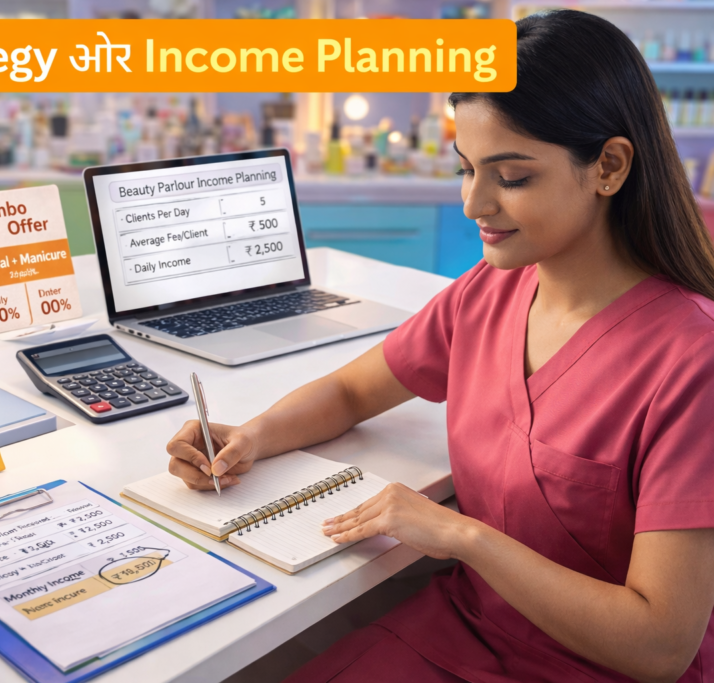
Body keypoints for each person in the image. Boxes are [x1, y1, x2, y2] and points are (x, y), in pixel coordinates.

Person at [165, 10, 714, 683]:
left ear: (608, 165)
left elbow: (660, 645)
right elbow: (352, 389)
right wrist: (250, 436)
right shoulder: (487, 293)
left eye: (511, 177)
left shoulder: (692, 360)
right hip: (470, 626)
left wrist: (460, 534)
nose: (473, 202)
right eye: (466, 169)